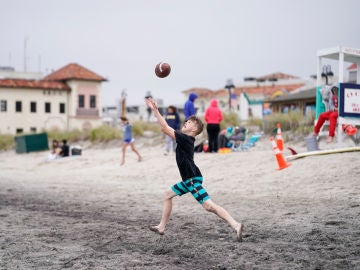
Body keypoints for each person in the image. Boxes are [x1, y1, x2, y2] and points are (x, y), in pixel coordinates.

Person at [145, 97, 243, 241]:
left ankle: (236, 225)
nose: (185, 122)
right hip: (188, 180)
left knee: (209, 206)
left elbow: (165, 128)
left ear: (195, 129)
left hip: (191, 180)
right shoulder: (185, 138)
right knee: (167, 195)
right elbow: (166, 129)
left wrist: (155, 110)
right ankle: (161, 227)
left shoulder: (186, 139)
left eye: (189, 122)